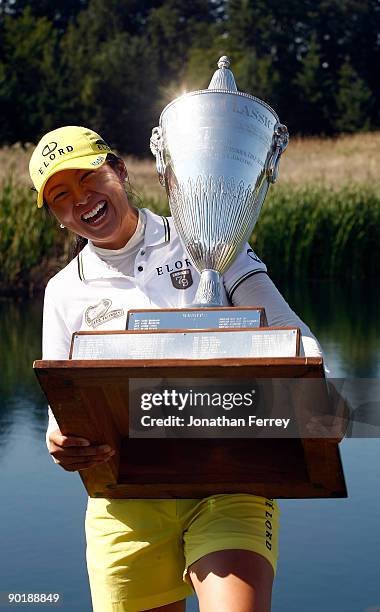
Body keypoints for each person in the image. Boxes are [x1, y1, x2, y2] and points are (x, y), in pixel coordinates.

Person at [29, 125, 325, 612]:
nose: (81, 200)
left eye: (89, 179)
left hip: (230, 479)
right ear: (57, 215)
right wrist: (58, 441)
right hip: (124, 504)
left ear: (119, 171)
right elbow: (62, 407)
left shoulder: (207, 238)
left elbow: (292, 333)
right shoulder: (63, 291)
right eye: (62, 196)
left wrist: (321, 390)